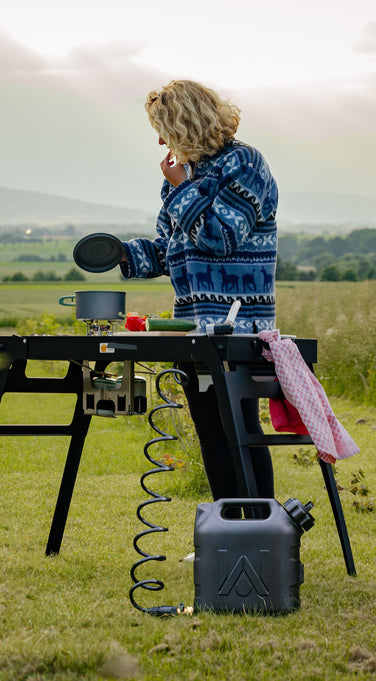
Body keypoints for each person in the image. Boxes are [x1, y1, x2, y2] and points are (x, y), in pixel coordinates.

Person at [119, 79, 279, 501]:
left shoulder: (245, 165)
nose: (158, 141)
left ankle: (259, 532)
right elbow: (169, 248)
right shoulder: (183, 172)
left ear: (187, 124)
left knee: (241, 431)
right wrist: (122, 255)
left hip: (238, 327)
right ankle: (228, 535)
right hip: (192, 328)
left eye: (164, 129)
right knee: (210, 433)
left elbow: (221, 236)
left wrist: (180, 188)